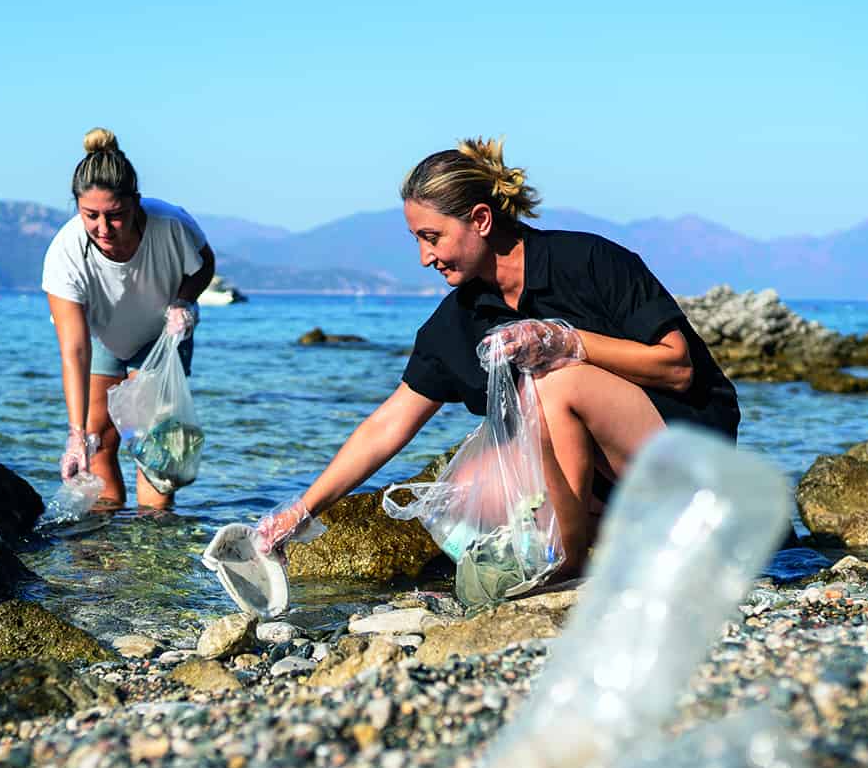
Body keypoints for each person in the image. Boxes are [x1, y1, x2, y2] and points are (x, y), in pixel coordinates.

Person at [254, 138, 739, 575]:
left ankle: (565, 565)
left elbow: (676, 367)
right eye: (417, 240)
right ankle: (603, 535)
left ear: (481, 221)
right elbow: (389, 424)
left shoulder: (590, 262)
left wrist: (566, 342)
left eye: (432, 237)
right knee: (463, 490)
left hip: (687, 453)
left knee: (555, 382)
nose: (425, 258)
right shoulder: (458, 320)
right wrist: (301, 511)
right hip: (612, 478)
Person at [42, 127, 216, 508]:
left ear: (135, 203)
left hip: (161, 334)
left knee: (155, 442)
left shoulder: (172, 225)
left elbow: (204, 265)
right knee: (97, 438)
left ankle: (152, 542)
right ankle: (110, 539)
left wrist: (184, 302)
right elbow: (74, 350)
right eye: (91, 216)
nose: (103, 229)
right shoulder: (65, 254)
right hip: (102, 337)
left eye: (115, 215)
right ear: (77, 207)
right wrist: (75, 434)